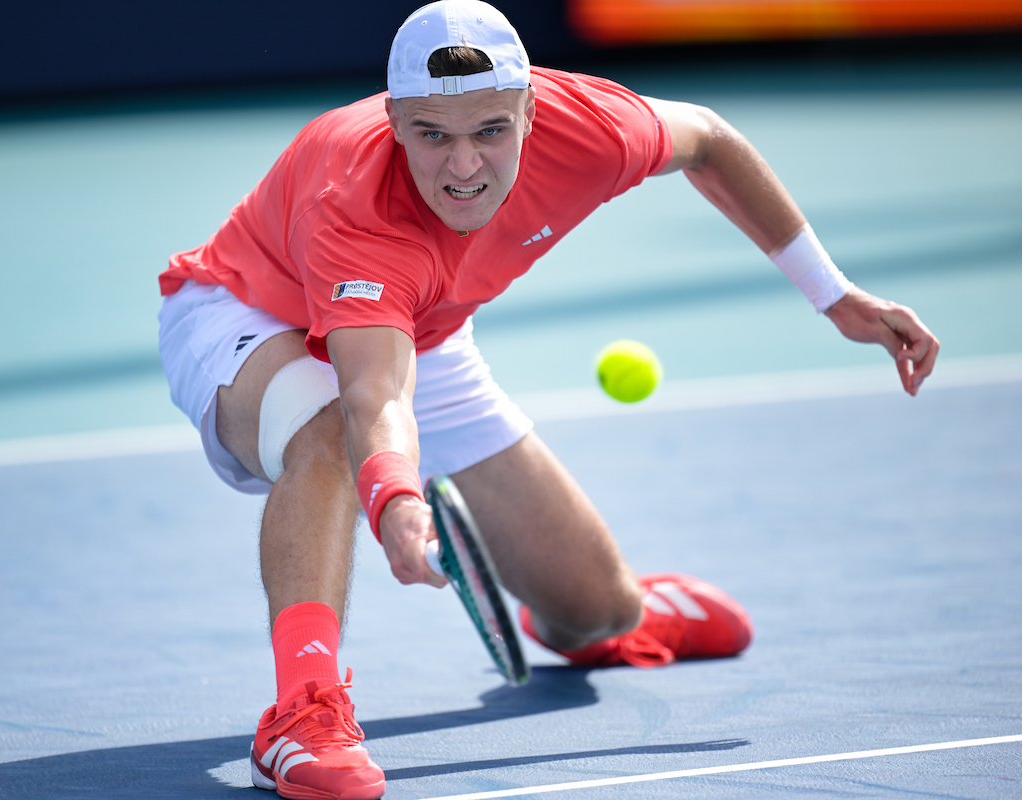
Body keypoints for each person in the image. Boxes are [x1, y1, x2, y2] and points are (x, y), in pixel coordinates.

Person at [156, 2, 939, 798]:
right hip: (246, 312)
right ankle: (301, 715)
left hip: (424, 327)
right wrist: (394, 499)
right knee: (324, 432)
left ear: (532, 107)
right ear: (393, 120)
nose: (463, 166)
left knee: (595, 613)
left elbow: (710, 139)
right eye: (432, 135)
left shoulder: (591, 126)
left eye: (490, 130)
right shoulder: (353, 199)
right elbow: (372, 393)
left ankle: (624, 608)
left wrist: (833, 294)